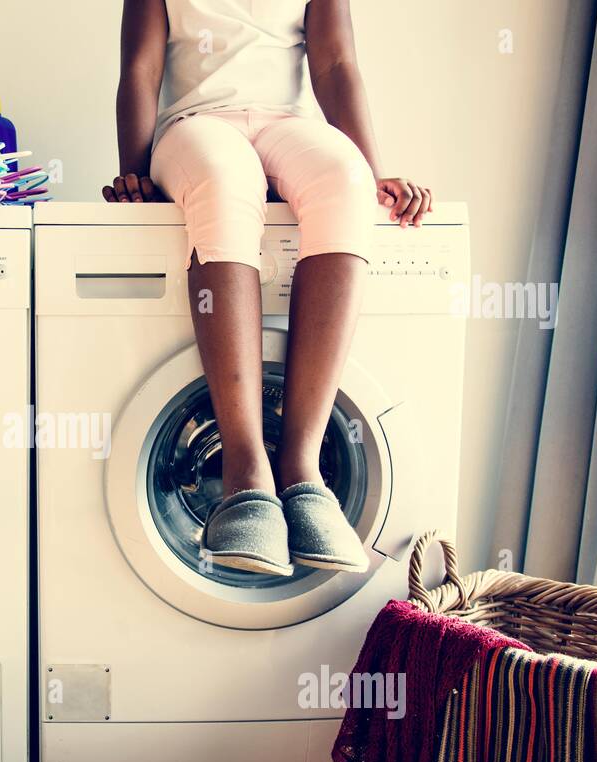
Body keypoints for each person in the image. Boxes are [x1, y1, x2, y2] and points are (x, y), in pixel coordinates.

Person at [105, 0, 433, 576]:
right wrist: (135, 171)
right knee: (224, 179)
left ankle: (303, 472)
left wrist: (374, 171)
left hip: (288, 124)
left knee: (345, 181)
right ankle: (245, 473)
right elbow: (140, 71)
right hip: (195, 126)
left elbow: (335, 66)